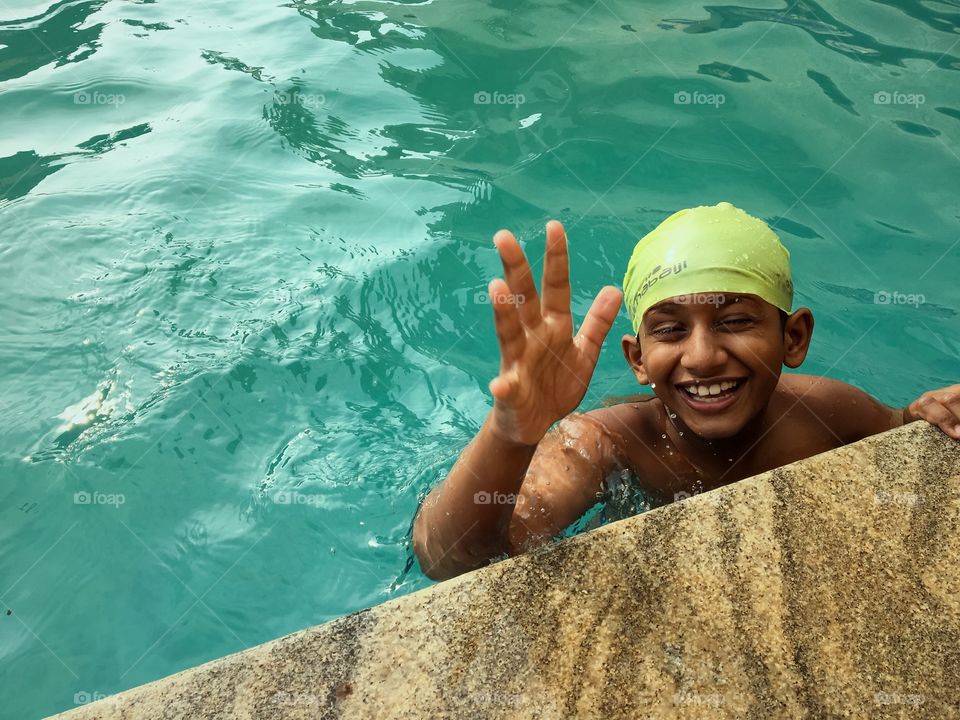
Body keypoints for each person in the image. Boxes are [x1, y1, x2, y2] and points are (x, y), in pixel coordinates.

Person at [412, 202, 960, 581]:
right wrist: (510, 434)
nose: (700, 357)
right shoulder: (602, 444)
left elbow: (901, 434)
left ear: (793, 338)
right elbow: (456, 563)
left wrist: (922, 412)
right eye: (670, 329)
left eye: (736, 321)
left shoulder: (826, 410)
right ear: (638, 360)